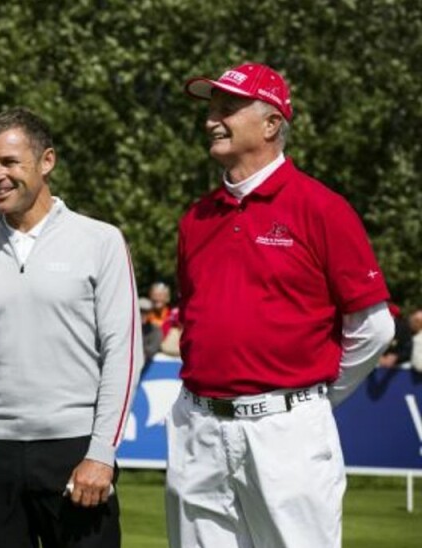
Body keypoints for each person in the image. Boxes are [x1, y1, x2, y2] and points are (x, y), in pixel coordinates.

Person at [167, 62, 395, 548]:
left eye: (229, 107)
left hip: (286, 433)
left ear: (272, 124)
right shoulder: (196, 217)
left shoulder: (322, 208)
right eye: (211, 108)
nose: (212, 119)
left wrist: (312, 399)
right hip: (198, 430)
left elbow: (374, 329)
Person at [0, 108, 142, 547]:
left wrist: (102, 453)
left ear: (47, 161)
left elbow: (122, 354)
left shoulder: (100, 240)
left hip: (75, 448)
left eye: (9, 162)